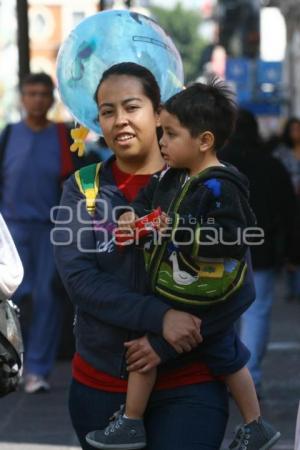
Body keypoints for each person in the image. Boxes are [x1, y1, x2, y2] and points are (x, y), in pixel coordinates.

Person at [54, 62, 256, 450]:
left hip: (190, 382)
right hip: (101, 386)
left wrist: (163, 345)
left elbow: (240, 287)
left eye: (132, 107)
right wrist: (160, 317)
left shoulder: (207, 184)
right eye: (107, 111)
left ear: (157, 111)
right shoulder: (84, 189)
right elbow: (80, 281)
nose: (119, 121)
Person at [0, 72, 88, 394]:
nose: (37, 99)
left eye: (42, 93)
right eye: (31, 93)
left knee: (47, 299)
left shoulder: (64, 137)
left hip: (51, 231)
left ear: (51, 99)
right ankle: (10, 364)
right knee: (9, 298)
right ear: (22, 98)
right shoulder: (8, 135)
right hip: (9, 233)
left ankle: (36, 369)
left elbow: (75, 183)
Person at [220, 109, 296, 394]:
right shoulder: (270, 164)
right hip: (261, 249)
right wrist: (291, 251)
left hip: (218, 247)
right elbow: (288, 211)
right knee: (256, 311)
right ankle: (249, 375)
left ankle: (224, 369)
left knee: (221, 311)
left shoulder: (219, 163)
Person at [273, 117, 300, 302]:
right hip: (288, 203)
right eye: (293, 129)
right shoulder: (281, 153)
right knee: (292, 239)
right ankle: (293, 285)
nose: (296, 133)